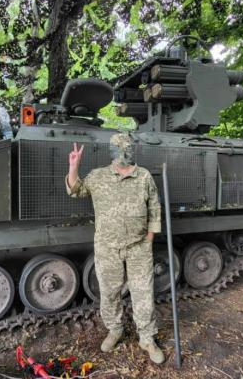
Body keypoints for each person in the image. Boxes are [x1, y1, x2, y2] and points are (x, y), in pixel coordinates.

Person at [65, 132, 165, 364]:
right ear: (111, 152)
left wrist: (149, 238)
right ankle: (115, 329)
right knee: (110, 292)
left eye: (127, 149)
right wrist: (74, 166)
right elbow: (75, 190)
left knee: (143, 293)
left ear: (132, 151)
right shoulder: (98, 176)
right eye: (118, 149)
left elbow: (154, 208)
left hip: (139, 247)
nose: (123, 153)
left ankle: (147, 338)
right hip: (107, 248)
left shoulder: (144, 177)